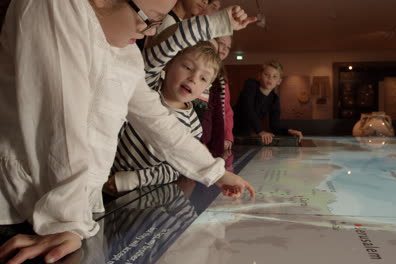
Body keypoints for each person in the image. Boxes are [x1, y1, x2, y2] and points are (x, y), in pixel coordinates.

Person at [0, 0, 256, 263]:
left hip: (75, 213)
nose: (151, 32)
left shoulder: (126, 53)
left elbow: (158, 122)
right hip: (28, 207)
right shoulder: (55, 7)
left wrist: (215, 172)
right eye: (150, 19)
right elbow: (59, 122)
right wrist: (66, 220)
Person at [108, 41, 222, 193]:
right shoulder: (149, 87)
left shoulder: (194, 126)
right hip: (100, 169)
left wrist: (132, 179)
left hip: (136, 191)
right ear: (168, 64)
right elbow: (160, 53)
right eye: (187, 67)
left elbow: (176, 167)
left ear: (206, 87)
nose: (193, 78)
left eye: (203, 78)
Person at [233, 61, 304, 145]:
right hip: (230, 128)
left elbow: (274, 126)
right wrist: (260, 131)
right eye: (266, 75)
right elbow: (248, 109)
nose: (270, 79)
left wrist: (290, 131)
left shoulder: (274, 99)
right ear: (259, 76)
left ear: (279, 81)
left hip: (245, 135)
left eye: (274, 76)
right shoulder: (251, 84)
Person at [199, 35, 234, 157]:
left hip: (215, 137)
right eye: (221, 43)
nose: (224, 49)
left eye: (228, 47)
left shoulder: (222, 77)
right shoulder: (200, 70)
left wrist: (228, 136)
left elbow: (226, 109)